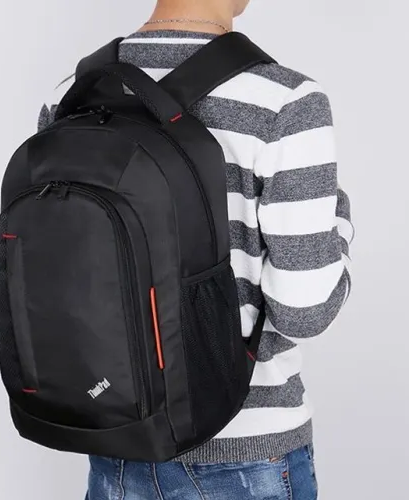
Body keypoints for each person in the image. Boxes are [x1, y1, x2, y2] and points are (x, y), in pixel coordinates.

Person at [38, 0, 354, 498]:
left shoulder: (73, 94)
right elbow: (305, 313)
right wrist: (340, 221)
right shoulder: (286, 100)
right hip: (245, 455)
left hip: (115, 442)